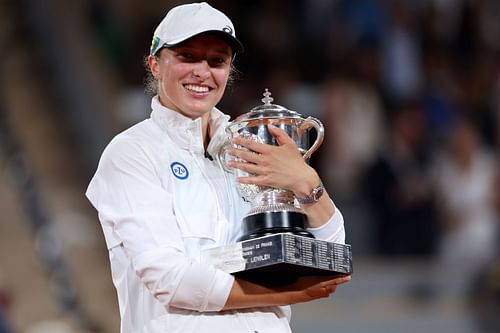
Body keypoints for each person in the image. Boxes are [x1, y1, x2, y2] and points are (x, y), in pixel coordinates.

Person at [85, 3, 350, 332]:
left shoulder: (249, 150)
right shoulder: (133, 152)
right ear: (154, 64)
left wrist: (307, 185)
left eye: (216, 60)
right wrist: (286, 292)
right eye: (187, 56)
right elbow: (170, 279)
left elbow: (333, 255)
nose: (202, 71)